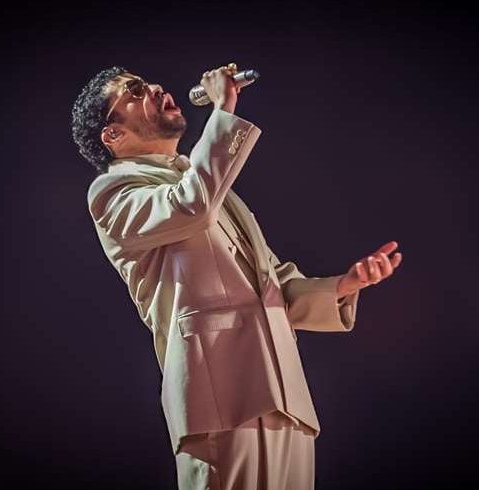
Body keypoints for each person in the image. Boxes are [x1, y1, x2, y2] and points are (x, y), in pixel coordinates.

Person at [71, 63, 402, 489]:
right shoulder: (113, 192)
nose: (153, 87)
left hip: (283, 396)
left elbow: (273, 283)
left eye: (144, 82)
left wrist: (343, 285)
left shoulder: (205, 180)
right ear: (113, 135)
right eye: (133, 91)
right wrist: (223, 110)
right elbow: (191, 206)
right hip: (219, 398)